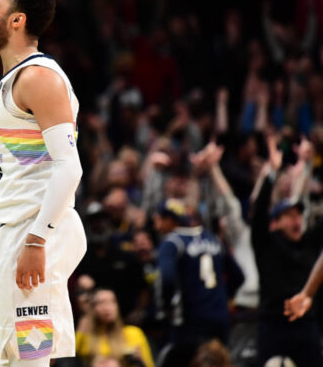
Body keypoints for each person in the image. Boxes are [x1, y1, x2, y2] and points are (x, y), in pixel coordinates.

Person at [0, 0, 86, 366]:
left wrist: (37, 241)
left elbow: (69, 168)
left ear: (17, 20)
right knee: (18, 357)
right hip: (12, 228)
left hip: (31, 228)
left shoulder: (39, 78)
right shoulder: (12, 79)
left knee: (34, 359)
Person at [252, 135, 323, 367]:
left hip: (306, 324)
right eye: (290, 215)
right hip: (273, 325)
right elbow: (259, 212)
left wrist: (310, 163)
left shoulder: (309, 242)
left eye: (299, 215)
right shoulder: (266, 243)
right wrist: (271, 173)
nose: (297, 219)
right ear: (276, 222)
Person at [156, 198, 243, 367]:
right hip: (219, 319)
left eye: (159, 219)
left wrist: (167, 307)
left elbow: (167, 278)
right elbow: (238, 276)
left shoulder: (172, 242)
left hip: (190, 321)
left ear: (170, 220)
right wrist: (222, 298)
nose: (157, 225)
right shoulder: (213, 239)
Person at [75, 288, 154, 367]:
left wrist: (140, 361)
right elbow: (69, 358)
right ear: (92, 308)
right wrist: (85, 317)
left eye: (112, 301)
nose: (107, 307)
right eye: (101, 302)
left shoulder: (133, 333)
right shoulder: (87, 337)